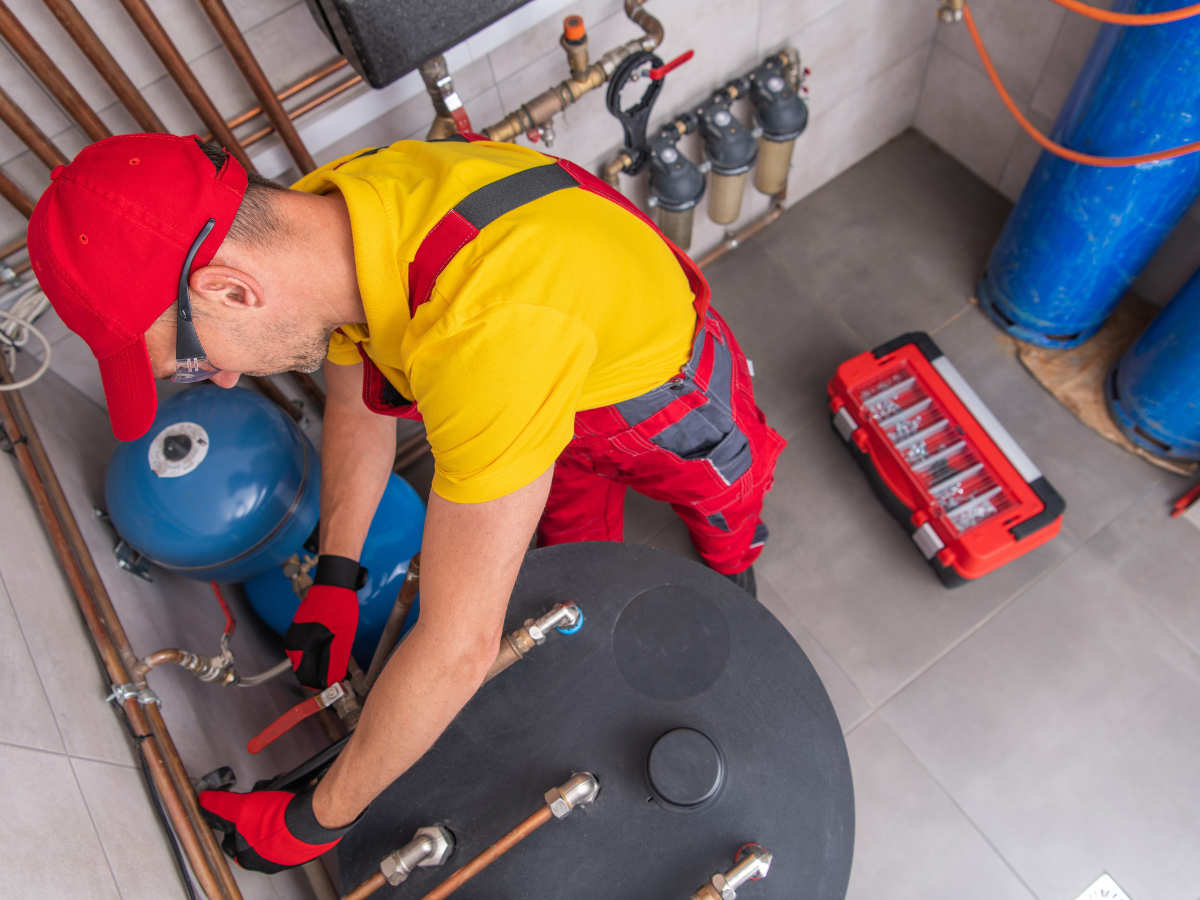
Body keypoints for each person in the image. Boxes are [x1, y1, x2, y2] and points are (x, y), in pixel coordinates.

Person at [26, 131, 785, 872]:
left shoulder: (488, 334)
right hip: (563, 373)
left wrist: (316, 819)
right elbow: (362, 393)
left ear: (230, 289)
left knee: (726, 506)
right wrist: (337, 574)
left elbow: (459, 648)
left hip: (664, 400)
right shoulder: (339, 213)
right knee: (578, 542)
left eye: (192, 358)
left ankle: (735, 572)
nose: (220, 381)